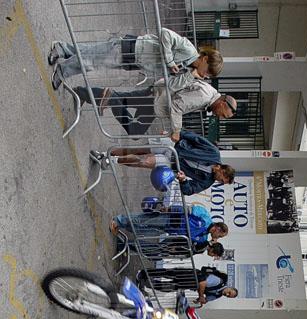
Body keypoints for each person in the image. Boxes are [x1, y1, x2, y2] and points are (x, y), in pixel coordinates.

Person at [49, 28, 223, 88]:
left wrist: (190, 76)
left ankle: (62, 49)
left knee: (93, 53)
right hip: (135, 49)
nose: (206, 75)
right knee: (92, 61)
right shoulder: (189, 49)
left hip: (136, 61)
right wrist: (170, 61)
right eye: (208, 71)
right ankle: (63, 71)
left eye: (209, 75)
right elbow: (165, 34)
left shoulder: (188, 70)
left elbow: (172, 85)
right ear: (205, 59)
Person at [73, 83, 237, 140]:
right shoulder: (204, 96)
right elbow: (177, 106)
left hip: (157, 96)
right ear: (223, 103)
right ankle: (109, 98)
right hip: (156, 101)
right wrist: (176, 130)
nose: (219, 117)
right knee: (135, 131)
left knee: (122, 98)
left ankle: (81, 93)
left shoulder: (209, 95)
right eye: (223, 114)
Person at [107, 129, 236, 196]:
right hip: (174, 146)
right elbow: (195, 138)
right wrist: (174, 133)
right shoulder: (213, 152)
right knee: (138, 149)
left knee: (144, 161)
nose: (219, 181)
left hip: (172, 164)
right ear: (223, 170)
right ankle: (107, 153)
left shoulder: (207, 181)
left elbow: (190, 190)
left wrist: (184, 181)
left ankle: (113, 161)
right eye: (222, 180)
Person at [110, 203, 228, 256]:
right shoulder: (205, 216)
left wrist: (209, 243)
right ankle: (118, 221)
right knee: (143, 220)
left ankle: (123, 225)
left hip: (169, 230)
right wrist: (170, 209)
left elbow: (194, 247)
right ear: (218, 228)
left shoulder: (204, 238)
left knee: (143, 231)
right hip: (170, 218)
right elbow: (186, 209)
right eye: (220, 235)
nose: (218, 238)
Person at [139, 265, 238, 305]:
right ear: (229, 287)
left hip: (190, 284)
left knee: (168, 287)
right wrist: (201, 296)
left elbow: (205, 300)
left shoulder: (218, 295)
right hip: (191, 275)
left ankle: (146, 283)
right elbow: (202, 282)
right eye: (229, 292)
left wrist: (201, 300)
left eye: (228, 296)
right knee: (168, 273)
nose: (227, 294)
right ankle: (143, 273)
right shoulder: (219, 281)